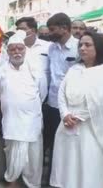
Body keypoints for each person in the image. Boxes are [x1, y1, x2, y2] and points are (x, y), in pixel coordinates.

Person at [50, 31, 103, 188]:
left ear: (98, 48)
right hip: (67, 128)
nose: (82, 48)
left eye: (87, 45)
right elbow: (61, 94)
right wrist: (65, 114)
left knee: (90, 170)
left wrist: (76, 117)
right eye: (80, 45)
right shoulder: (74, 69)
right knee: (68, 169)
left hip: (93, 131)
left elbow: (101, 102)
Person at [0, 30, 47, 188]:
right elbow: (0, 92)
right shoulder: (1, 70)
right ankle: (12, 179)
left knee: (33, 153)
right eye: (13, 49)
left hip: (32, 118)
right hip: (12, 119)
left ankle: (32, 183)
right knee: (12, 151)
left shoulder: (35, 69)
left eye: (20, 48)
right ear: (8, 51)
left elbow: (42, 92)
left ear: (25, 50)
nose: (17, 52)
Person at [44, 13, 79, 182]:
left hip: (71, 107)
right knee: (52, 144)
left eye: (52, 30)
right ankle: (53, 179)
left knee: (70, 146)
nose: (49, 34)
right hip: (52, 104)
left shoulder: (79, 48)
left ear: (64, 28)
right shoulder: (51, 48)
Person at [16, 17, 50, 81]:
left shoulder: (48, 46)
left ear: (33, 30)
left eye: (22, 29)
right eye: (17, 30)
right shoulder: (15, 49)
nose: (19, 32)